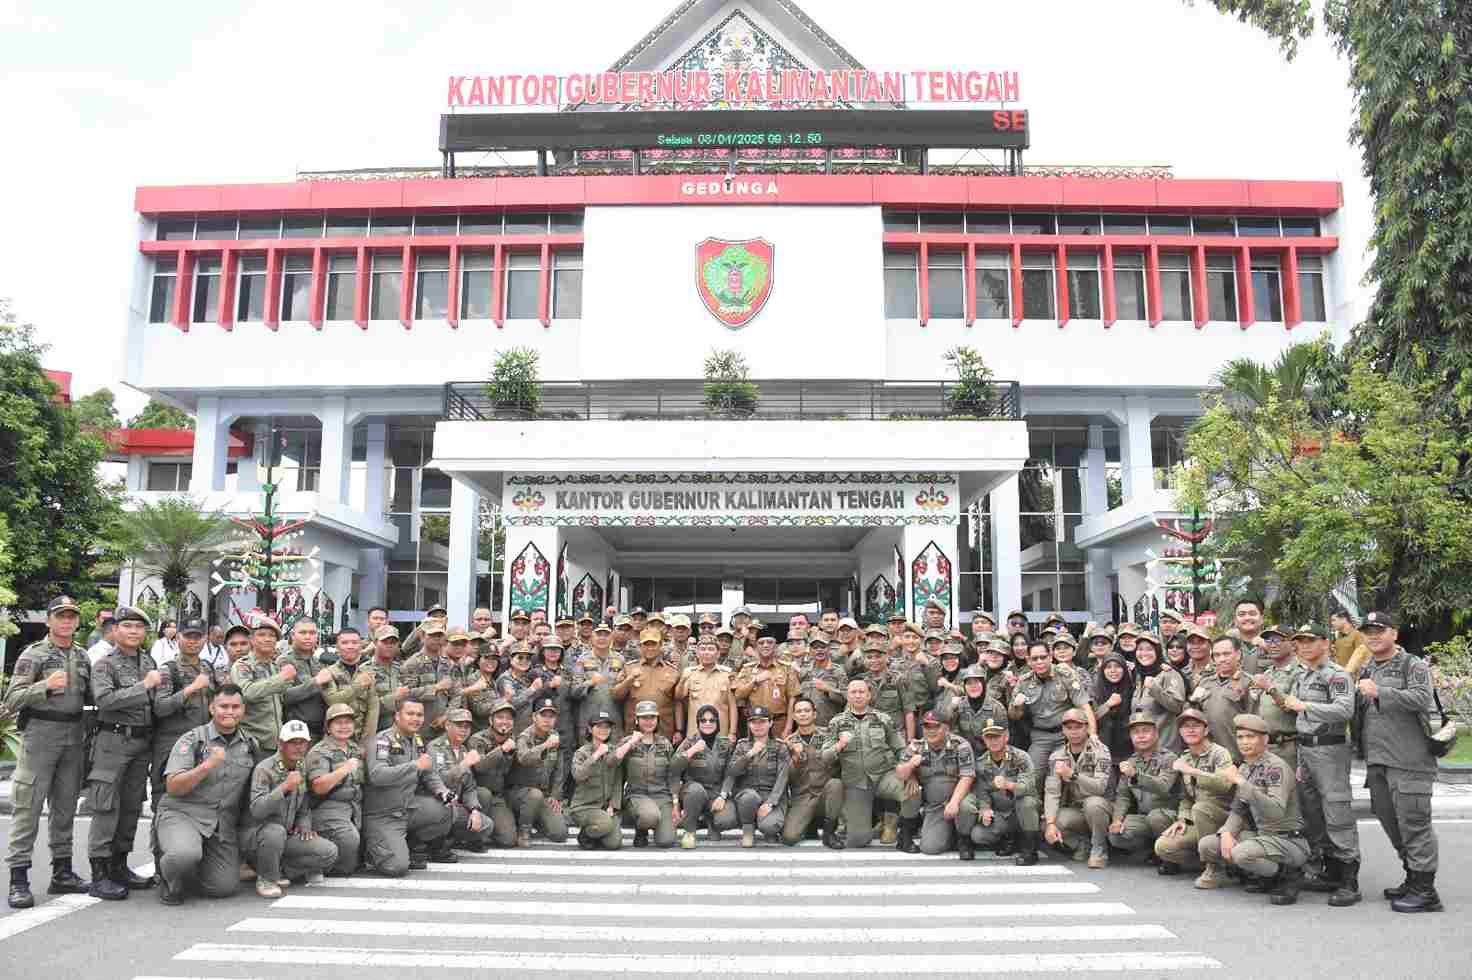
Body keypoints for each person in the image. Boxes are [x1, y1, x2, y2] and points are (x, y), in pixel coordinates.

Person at [5, 596, 93, 908]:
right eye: (61, 616)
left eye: (72, 616)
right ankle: (18, 879)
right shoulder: (34, 654)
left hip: (73, 735)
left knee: (66, 805)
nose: (67, 621)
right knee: (28, 806)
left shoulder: (83, 656)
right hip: (41, 735)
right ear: (49, 621)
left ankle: (63, 872)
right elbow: (12, 698)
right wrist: (44, 686)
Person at [1356, 611, 1442, 913]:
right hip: (1378, 761)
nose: (1373, 636)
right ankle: (1412, 877)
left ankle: (1426, 891)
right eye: (1368, 632)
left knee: (1415, 825)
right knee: (1391, 822)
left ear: (1394, 633)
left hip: (1409, 761)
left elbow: (1421, 698)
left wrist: (1381, 691)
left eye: (1379, 630)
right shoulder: (1369, 666)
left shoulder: (1412, 664)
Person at [154, 684, 256, 905]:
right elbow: (173, 786)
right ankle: (169, 877)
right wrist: (207, 765)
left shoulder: (250, 744)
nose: (230, 712)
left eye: (235, 707)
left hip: (220, 823)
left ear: (243, 710)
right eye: (224, 706)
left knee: (224, 887)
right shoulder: (192, 740)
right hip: (183, 813)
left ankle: (189, 868)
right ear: (212, 708)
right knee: (183, 855)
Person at [1283, 622, 1361, 905]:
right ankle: (1330, 870)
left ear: (1325, 643)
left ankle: (1349, 879)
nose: (1303, 646)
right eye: (1299, 641)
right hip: (1305, 748)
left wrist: (1305, 707)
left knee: (1337, 811)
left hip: (1330, 751)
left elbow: (1344, 709)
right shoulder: (1303, 675)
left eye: (1310, 640)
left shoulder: (1337, 675)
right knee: (1313, 813)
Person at [87, 604, 160, 899]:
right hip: (113, 742)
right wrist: (144, 686)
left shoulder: (149, 660)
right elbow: (104, 700)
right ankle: (99, 873)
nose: (133, 632)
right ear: (115, 630)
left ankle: (120, 865)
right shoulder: (105, 664)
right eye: (127, 627)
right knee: (107, 806)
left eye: (138, 627)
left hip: (142, 744)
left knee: (131, 806)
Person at [1198, 713, 1308, 905]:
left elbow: (1275, 811)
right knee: (1208, 845)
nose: (1244, 742)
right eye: (1240, 737)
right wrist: (1226, 833)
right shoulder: (1246, 768)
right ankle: (1264, 874)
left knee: (1241, 854)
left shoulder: (1275, 768)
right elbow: (1239, 808)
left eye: (1251, 737)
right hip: (1262, 836)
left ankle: (1288, 875)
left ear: (1265, 740)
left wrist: (1242, 783)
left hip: (1287, 839)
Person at [240, 719, 337, 898]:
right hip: (257, 836)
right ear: (280, 743)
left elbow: (304, 805)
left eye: (302, 743)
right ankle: (267, 878)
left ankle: (278, 869)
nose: (298, 747)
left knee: (328, 852)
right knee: (274, 832)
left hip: (285, 835)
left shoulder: (301, 765)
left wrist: (304, 825)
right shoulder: (265, 768)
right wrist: (284, 787)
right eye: (292, 742)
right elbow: (257, 810)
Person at [151, 619, 222, 864]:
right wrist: (190, 689)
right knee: (165, 802)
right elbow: (160, 708)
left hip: (202, 744)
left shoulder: (209, 668)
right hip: (171, 745)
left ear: (205, 638)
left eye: (198, 636)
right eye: (188, 636)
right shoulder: (167, 670)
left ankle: (195, 862)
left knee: (200, 799)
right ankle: (161, 864)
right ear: (178, 638)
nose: (193, 641)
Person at [361, 698, 453, 876]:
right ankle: (372, 851)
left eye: (419, 715)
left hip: (408, 808)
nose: (416, 719)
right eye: (410, 714)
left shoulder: (416, 740)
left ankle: (411, 844)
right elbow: (377, 775)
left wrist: (442, 791)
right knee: (397, 867)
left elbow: (428, 772)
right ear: (397, 716)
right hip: (383, 814)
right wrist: (415, 766)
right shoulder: (383, 741)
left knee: (447, 810)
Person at [823, 678, 908, 849]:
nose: (858, 695)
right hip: (856, 782)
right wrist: (839, 745)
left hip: (884, 775)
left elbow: (900, 748)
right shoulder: (837, 722)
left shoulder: (883, 719)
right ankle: (867, 824)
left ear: (869, 695)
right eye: (853, 692)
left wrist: (907, 768)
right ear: (847, 696)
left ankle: (905, 834)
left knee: (912, 791)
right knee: (857, 840)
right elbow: (825, 757)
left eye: (862, 692)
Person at [1154, 707, 1235, 884]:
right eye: (1185, 727)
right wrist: (1182, 818)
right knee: (1164, 847)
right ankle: (1213, 861)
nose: (1190, 730)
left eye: (1195, 726)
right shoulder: (1185, 757)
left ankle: (1215, 868)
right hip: (1199, 819)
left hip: (1225, 817)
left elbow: (1224, 784)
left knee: (1201, 808)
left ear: (1206, 730)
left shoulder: (1220, 753)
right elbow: (1186, 797)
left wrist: (1193, 771)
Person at [1009, 640, 1093, 795]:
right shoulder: (1024, 681)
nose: (1039, 661)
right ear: (1028, 660)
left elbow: (1085, 706)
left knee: (1060, 776)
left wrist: (1093, 736)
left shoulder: (1065, 675)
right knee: (1032, 776)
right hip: (1040, 737)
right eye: (1035, 658)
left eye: (1043, 657)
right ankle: (1036, 809)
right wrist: (1017, 706)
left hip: (1065, 736)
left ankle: (1058, 813)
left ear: (1050, 657)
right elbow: (1014, 716)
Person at [895, 711, 975, 857]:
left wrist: (954, 802)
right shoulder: (916, 746)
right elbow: (900, 773)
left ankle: (964, 840)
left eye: (936, 727)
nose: (930, 731)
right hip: (935, 807)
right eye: (926, 727)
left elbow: (967, 776)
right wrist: (911, 766)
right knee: (930, 847)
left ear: (946, 728)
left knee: (966, 807)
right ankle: (909, 834)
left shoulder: (960, 745)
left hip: (959, 799)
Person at [1042, 708, 1112, 868]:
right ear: (1063, 730)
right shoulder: (1057, 756)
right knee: (1048, 821)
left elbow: (1100, 788)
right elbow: (1052, 792)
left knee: (1093, 804)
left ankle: (1099, 849)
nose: (1073, 732)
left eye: (1078, 727)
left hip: (1102, 807)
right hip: (1076, 809)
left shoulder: (1100, 750)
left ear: (1086, 727)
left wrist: (1073, 775)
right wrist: (1050, 823)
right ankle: (1082, 844)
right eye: (1069, 728)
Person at [1107, 711, 1180, 861]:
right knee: (1116, 836)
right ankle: (1150, 849)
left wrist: (1136, 776)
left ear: (1156, 733)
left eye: (1146, 731)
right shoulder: (1132, 761)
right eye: (1135, 732)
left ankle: (1170, 855)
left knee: (1155, 818)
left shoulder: (1169, 758)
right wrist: (1117, 820)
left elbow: (1163, 786)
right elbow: (1123, 796)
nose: (1140, 736)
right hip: (1145, 817)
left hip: (1169, 816)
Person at [716, 705, 790, 847]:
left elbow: (783, 778)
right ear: (749, 724)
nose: (758, 726)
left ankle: (764, 825)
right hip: (747, 796)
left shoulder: (780, 746)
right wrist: (723, 795)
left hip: (770, 795)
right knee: (725, 817)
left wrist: (770, 803)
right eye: (754, 722)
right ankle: (748, 828)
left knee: (770, 826)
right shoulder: (742, 746)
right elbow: (732, 772)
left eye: (762, 721)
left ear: (770, 723)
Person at [305, 703, 365, 877]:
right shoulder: (319, 751)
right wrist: (343, 770)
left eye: (348, 722)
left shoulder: (355, 749)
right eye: (338, 723)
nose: (344, 726)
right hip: (329, 807)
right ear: (328, 727)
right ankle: (321, 866)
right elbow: (319, 787)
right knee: (349, 844)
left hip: (355, 807)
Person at [230, 614, 298, 760]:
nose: (267, 639)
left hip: (276, 742)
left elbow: (284, 698)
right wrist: (281, 678)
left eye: (272, 635)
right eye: (261, 635)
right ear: (252, 640)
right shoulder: (243, 665)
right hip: (251, 742)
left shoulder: (276, 667)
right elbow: (246, 692)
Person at [426, 708, 491, 856]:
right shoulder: (435, 748)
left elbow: (469, 787)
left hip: (457, 803)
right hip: (438, 803)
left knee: (487, 825)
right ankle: (439, 839)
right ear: (448, 725)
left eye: (467, 726)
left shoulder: (463, 749)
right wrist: (464, 764)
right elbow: (438, 781)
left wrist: (474, 810)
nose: (464, 730)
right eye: (459, 725)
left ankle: (458, 838)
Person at [781, 697, 843, 848]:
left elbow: (839, 763)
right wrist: (795, 757)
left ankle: (829, 833)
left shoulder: (829, 736)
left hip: (824, 794)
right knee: (789, 838)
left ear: (814, 714)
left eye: (807, 711)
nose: (803, 714)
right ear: (794, 716)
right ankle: (809, 823)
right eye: (799, 711)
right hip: (802, 797)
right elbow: (787, 777)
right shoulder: (788, 742)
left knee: (835, 784)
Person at [671, 705, 736, 848]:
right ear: (698, 722)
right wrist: (693, 750)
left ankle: (710, 818)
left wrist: (723, 795)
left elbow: (731, 773)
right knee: (696, 792)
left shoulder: (725, 743)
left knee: (728, 819)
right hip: (693, 790)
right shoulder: (690, 742)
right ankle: (690, 830)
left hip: (716, 792)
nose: (707, 724)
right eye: (703, 720)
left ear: (717, 722)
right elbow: (673, 768)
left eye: (712, 720)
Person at [507, 696, 569, 846]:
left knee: (559, 833)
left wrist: (555, 795)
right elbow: (523, 758)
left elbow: (559, 772)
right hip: (519, 794)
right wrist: (545, 746)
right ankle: (523, 831)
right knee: (534, 795)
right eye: (543, 715)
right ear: (534, 717)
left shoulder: (554, 737)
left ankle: (534, 818)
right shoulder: (524, 737)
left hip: (543, 796)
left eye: (551, 716)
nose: (548, 720)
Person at [616, 700, 678, 848]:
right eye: (644, 718)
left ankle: (657, 824)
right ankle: (641, 829)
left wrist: (676, 802)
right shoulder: (627, 742)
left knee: (666, 841)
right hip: (637, 795)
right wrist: (615, 803)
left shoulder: (665, 744)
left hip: (662, 797)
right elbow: (616, 769)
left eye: (652, 718)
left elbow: (673, 775)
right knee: (649, 817)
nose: (648, 722)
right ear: (637, 720)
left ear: (657, 720)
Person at [1188, 636, 1258, 762]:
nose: (1222, 659)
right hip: (1208, 757)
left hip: (1237, 756)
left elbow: (1255, 721)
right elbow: (1194, 716)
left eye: (1226, 654)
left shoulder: (1249, 682)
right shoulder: (1205, 682)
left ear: (1238, 654)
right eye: (1217, 655)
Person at [1248, 625, 1303, 772]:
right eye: (1268, 640)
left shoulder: (1300, 672)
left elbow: (1295, 708)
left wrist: (1270, 689)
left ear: (1292, 644)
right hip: (1265, 747)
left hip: (1288, 746)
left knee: (1291, 792)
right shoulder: (1268, 673)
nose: (1272, 644)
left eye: (1277, 640)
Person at [466, 700, 519, 849]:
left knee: (508, 840)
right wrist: (501, 750)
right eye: (500, 717)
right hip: (476, 795)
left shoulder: (513, 739)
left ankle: (493, 827)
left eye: (509, 718)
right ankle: (472, 835)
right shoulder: (477, 739)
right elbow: (479, 766)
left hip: (498, 796)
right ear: (491, 720)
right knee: (484, 794)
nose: (505, 721)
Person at [612, 628, 681, 740]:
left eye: (653, 644)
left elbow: (678, 703)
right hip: (634, 733)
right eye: (646, 644)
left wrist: (679, 730)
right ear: (640, 646)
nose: (650, 648)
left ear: (661, 645)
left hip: (664, 733)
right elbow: (616, 696)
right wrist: (629, 680)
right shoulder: (629, 668)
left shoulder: (673, 671)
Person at [569, 710, 624, 850]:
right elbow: (578, 775)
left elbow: (618, 781)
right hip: (584, 807)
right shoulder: (582, 752)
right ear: (590, 729)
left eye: (607, 727)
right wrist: (596, 755)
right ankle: (586, 835)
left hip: (605, 808)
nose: (603, 730)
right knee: (605, 824)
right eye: (599, 726)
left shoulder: (614, 751)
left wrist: (613, 805)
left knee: (614, 843)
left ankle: (597, 833)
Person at [733, 635, 801, 737]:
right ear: (756, 647)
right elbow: (738, 694)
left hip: (779, 722)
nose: (765, 645)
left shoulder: (787, 668)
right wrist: (755, 681)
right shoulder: (747, 669)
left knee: (780, 752)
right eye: (761, 643)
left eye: (769, 642)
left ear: (776, 646)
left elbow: (792, 698)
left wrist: (789, 726)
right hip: (756, 723)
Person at [1129, 633, 1186, 752]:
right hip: (1143, 751)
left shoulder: (1169, 674)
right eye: (1140, 649)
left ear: (1158, 651)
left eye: (1149, 649)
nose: (1144, 653)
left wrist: (1154, 689)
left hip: (1165, 751)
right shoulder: (1138, 676)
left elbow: (1177, 706)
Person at [278, 618, 331, 743]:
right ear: (293, 635)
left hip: (321, 731)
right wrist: (315, 682)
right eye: (303, 632)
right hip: (297, 732)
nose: (308, 637)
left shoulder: (318, 662)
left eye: (312, 633)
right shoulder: (284, 661)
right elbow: (283, 696)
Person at [570, 623, 625, 743]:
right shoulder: (582, 660)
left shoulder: (620, 660)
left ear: (612, 638)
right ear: (592, 638)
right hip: (590, 721)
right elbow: (574, 692)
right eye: (598, 635)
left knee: (614, 757)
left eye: (606, 635)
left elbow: (626, 692)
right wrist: (590, 683)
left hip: (613, 719)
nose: (602, 638)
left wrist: (624, 682)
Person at [676, 638, 737, 738]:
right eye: (703, 649)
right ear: (697, 653)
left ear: (718, 653)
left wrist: (732, 732)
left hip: (721, 733)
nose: (706, 652)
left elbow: (732, 705)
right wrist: (682, 680)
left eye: (711, 649)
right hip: (695, 732)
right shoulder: (689, 673)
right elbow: (678, 697)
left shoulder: (727, 674)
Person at [1092, 653, 1134, 786]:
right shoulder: (1095, 690)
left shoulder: (1132, 689)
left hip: (1129, 749)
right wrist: (1107, 705)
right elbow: (1088, 719)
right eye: (1108, 667)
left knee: (1126, 789)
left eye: (1117, 666)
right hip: (1104, 749)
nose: (1113, 670)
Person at [795, 632, 848, 728]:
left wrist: (828, 689)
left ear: (829, 648)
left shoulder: (838, 671)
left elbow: (847, 699)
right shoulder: (804, 670)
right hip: (806, 726)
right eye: (815, 648)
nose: (819, 650)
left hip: (829, 726)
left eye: (823, 647)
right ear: (810, 650)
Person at [364, 626, 409, 733]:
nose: (389, 646)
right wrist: (394, 697)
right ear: (375, 643)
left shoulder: (402, 669)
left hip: (400, 732)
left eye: (393, 642)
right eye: (385, 642)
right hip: (375, 733)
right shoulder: (364, 671)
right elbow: (363, 708)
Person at [1330, 610, 1369, 677]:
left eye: (1334, 620)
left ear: (1344, 619)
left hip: (1353, 678)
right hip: (1339, 676)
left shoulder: (1357, 635)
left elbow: (1362, 658)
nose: (1332, 623)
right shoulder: (1338, 637)